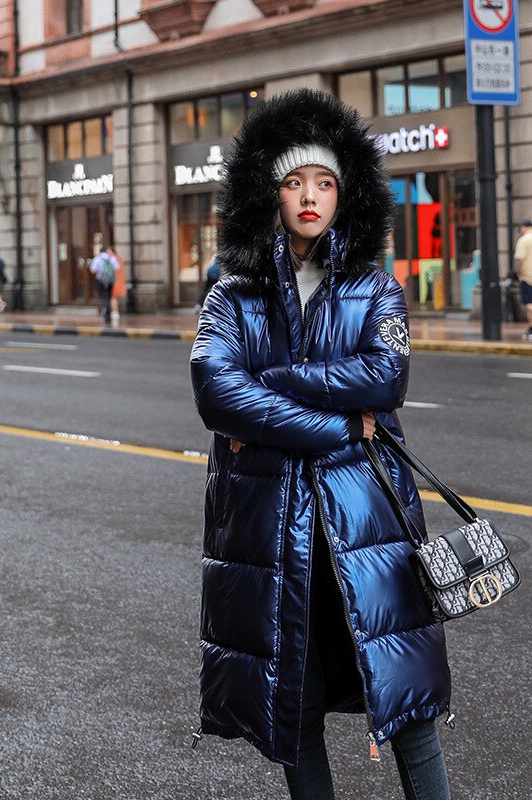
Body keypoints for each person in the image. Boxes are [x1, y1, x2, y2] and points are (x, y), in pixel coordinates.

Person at [190, 89, 452, 800]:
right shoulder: (231, 296)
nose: (310, 196)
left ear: (347, 192)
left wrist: (270, 385)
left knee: (407, 702)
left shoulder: (376, 288)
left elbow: (385, 375)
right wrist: (338, 425)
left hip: (368, 521)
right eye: (293, 180)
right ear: (266, 191)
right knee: (292, 702)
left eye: (326, 181)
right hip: (270, 529)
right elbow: (217, 392)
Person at [89, 246, 119, 323]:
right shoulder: (111, 258)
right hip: (110, 280)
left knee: (104, 297)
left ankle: (107, 314)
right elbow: (117, 268)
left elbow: (93, 270)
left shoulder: (97, 259)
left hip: (101, 280)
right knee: (109, 296)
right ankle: (109, 313)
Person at [108, 246, 126, 323]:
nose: (108, 253)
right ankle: (114, 312)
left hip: (115, 280)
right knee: (114, 296)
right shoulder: (118, 259)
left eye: (109, 252)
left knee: (113, 296)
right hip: (118, 279)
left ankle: (115, 312)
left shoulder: (113, 259)